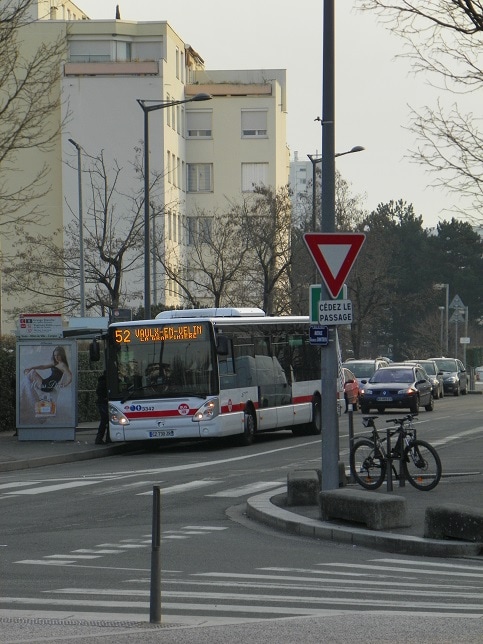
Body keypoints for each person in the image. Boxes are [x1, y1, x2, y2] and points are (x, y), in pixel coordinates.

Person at [95, 370, 111, 445]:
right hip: (103, 403)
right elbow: (99, 392)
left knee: (105, 421)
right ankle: (102, 438)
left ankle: (102, 438)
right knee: (106, 420)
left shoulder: (101, 381)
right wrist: (105, 398)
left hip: (102, 402)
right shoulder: (104, 382)